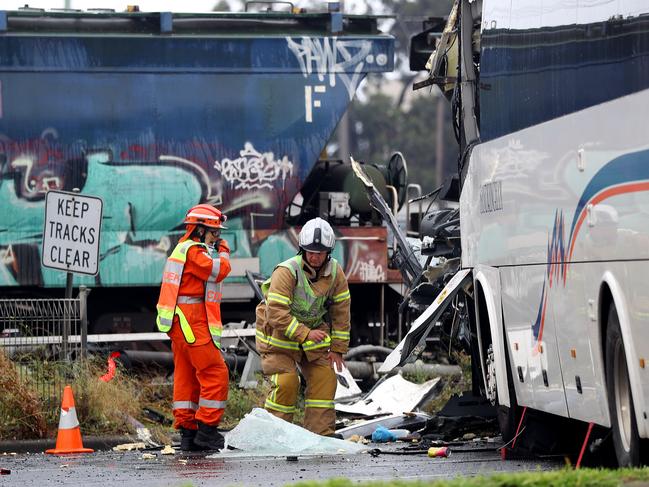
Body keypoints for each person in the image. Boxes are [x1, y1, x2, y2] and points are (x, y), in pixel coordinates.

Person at [255, 217, 351, 436]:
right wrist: (305, 333)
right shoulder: (287, 271)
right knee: (287, 382)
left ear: (329, 252)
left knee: (325, 378)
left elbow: (341, 313)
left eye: (320, 253)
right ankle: (276, 436)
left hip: (312, 338)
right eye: (310, 252)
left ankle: (320, 436)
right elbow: (276, 314)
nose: (315, 257)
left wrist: (337, 349)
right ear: (302, 250)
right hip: (280, 337)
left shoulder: (336, 273)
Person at [156, 203, 231, 451]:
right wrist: (224, 251)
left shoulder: (182, 248)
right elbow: (219, 270)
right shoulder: (195, 252)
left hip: (181, 321)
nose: (217, 238)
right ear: (199, 230)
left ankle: (188, 433)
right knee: (214, 372)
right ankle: (207, 431)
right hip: (192, 320)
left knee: (187, 377)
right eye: (214, 233)